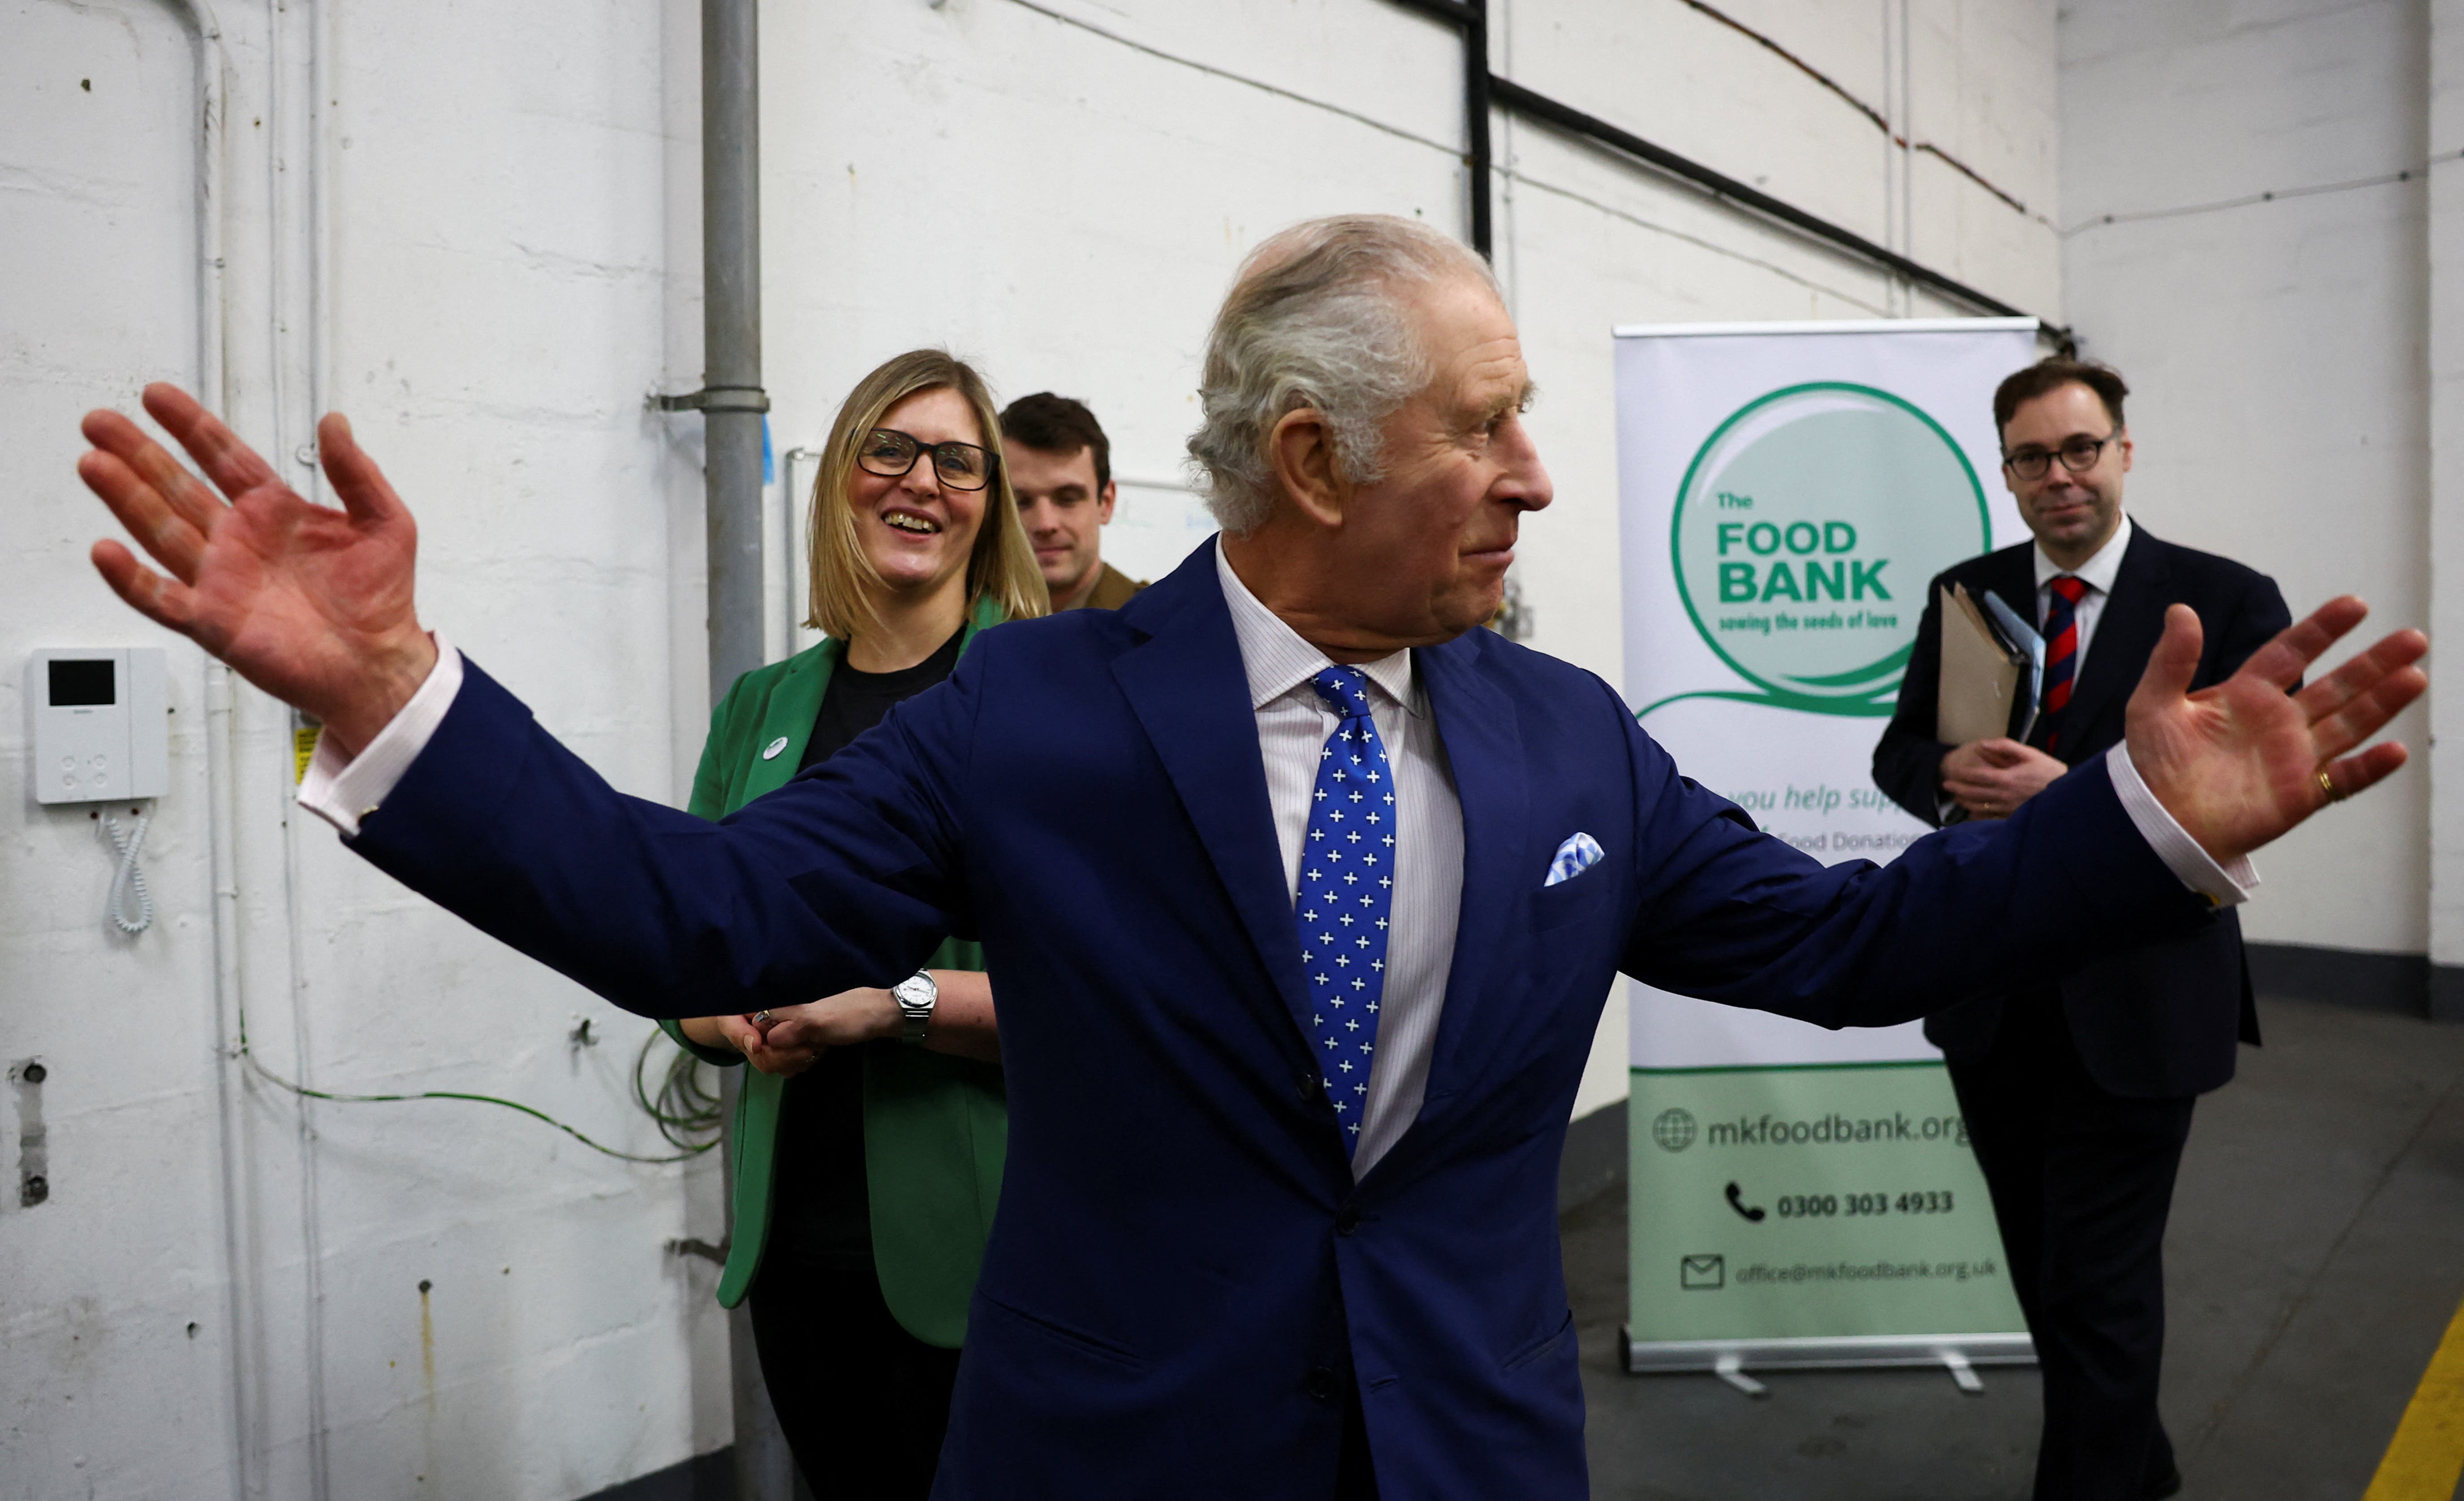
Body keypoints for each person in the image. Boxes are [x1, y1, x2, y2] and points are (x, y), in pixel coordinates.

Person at [75, 216, 2425, 1501]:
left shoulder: (1562, 733)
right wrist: (382, 693)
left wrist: (2138, 823)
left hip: (1471, 1452)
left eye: (1524, 424)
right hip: (1119, 1451)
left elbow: (1838, 940)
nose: (1528, 480)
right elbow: (704, 917)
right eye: (1481, 430)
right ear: (1309, 461)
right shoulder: (1033, 712)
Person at [1872, 359, 2291, 1501]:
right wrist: (1943, 771)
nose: (2057, 476)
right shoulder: (1964, 590)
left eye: (2079, 449)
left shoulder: (2222, 598)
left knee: (2097, 1282)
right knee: (2045, 1273)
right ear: (2004, 469)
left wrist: (2074, 793)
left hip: (2141, 993)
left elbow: (2253, 787)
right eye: (2030, 456)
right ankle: (2134, 1463)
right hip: (1993, 987)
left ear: (2122, 450)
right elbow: (1898, 750)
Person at [663, 350, 1046, 1497]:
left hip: (986, 1249)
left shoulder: (1043, 696)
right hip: (799, 1253)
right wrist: (729, 1020)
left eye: (954, 460)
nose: (917, 480)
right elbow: (685, 948)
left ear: (987, 505)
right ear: (840, 478)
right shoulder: (762, 705)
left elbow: (1108, 993)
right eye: (888, 448)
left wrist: (892, 1006)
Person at [998, 391, 1146, 610]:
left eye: (1067, 499)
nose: (1045, 524)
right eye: (1020, 502)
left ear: (1106, 503)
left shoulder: (1160, 624)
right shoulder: (957, 627)